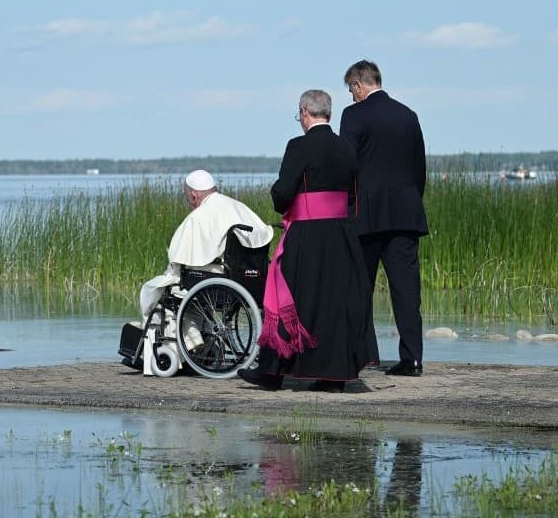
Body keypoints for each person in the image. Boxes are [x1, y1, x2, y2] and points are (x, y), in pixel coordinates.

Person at [238, 89, 377, 391]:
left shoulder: (298, 146)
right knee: (334, 302)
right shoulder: (346, 148)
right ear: (329, 112)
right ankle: (333, 377)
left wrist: (279, 200)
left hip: (307, 234)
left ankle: (272, 372)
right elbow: (354, 194)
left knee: (289, 299)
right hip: (341, 235)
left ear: (303, 112)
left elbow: (284, 192)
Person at [123, 170, 274, 368]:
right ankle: (196, 344)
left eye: (188, 198)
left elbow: (178, 260)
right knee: (187, 292)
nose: (190, 203)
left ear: (194, 195)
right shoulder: (239, 207)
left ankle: (182, 349)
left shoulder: (200, 216)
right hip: (250, 281)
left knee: (161, 290)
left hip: (218, 283)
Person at [339, 60, 429, 377]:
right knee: (406, 291)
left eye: (351, 90)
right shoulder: (408, 115)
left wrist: (347, 206)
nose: (351, 97)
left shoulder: (353, 116)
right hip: (405, 214)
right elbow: (419, 169)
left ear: (360, 85)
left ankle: (359, 356)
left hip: (365, 216)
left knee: (358, 286)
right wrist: (410, 199)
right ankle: (413, 358)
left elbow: (346, 165)